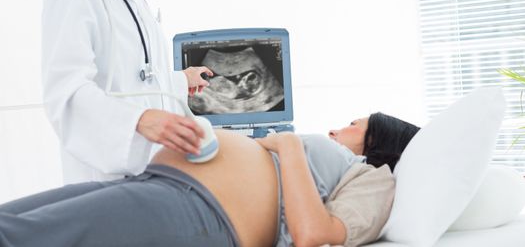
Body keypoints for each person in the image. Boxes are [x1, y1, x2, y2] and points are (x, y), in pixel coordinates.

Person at [0, 112, 420, 247]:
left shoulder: (375, 180)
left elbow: (313, 234)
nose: (335, 130)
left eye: (352, 125)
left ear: (375, 143)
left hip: (200, 213)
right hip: (157, 184)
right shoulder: (334, 167)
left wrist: (289, 146)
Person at [41, 0, 212, 184]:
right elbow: (67, 94)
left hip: (150, 175)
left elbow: (130, 80)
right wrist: (140, 121)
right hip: (104, 182)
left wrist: (180, 79)